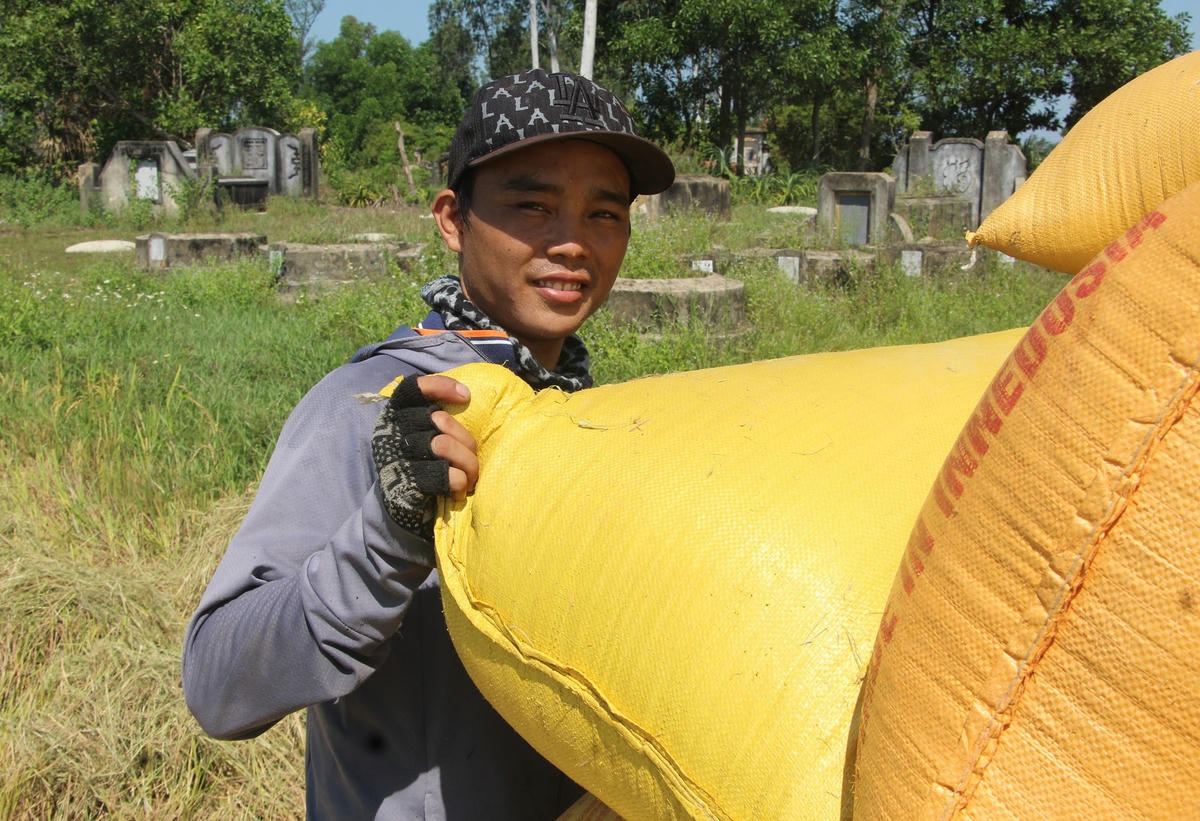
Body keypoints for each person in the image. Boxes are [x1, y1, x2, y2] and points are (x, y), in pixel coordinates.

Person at [181, 68, 675, 819]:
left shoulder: (584, 414)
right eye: (533, 205)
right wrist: (390, 532)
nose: (574, 242)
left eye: (604, 213)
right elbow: (217, 685)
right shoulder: (374, 409)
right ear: (453, 219)